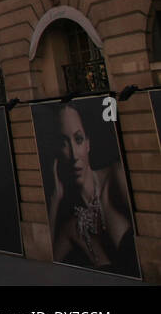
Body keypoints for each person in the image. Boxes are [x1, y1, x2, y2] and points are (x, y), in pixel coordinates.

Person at [44, 102, 137, 275]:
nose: (74, 155)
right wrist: (54, 200)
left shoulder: (116, 179)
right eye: (64, 143)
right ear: (57, 152)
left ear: (88, 143)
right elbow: (44, 262)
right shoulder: (72, 227)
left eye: (78, 139)